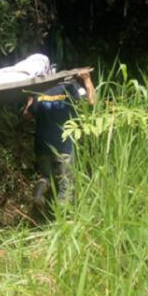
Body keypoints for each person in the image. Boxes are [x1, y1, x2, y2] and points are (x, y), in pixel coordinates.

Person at [23, 69, 96, 208]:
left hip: (42, 145)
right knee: (66, 184)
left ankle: (38, 195)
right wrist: (87, 80)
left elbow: (27, 115)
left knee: (46, 177)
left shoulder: (41, 91)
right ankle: (63, 218)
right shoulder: (71, 87)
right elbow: (91, 102)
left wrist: (30, 99)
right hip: (63, 145)